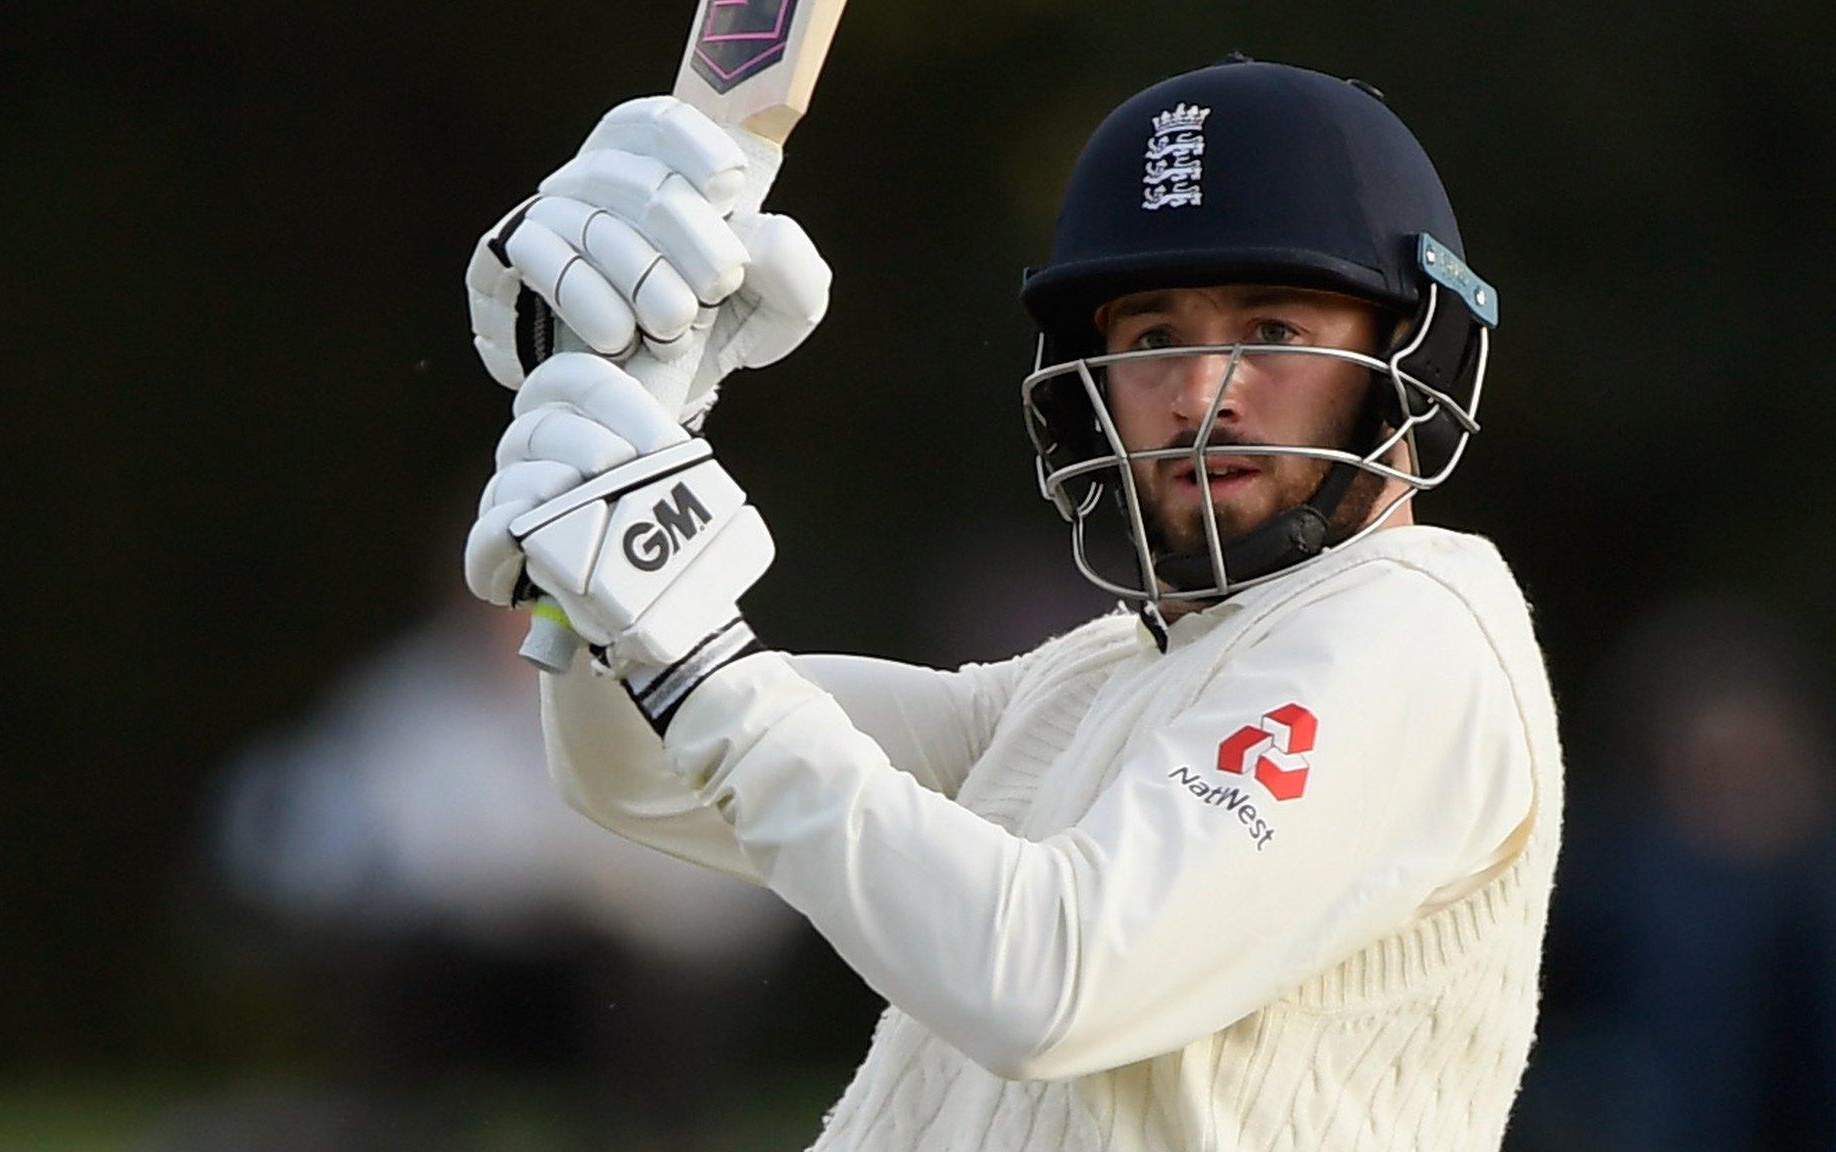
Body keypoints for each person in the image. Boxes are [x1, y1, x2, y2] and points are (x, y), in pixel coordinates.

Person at [461, 57, 1562, 1150]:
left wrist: (689, 641)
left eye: (1271, 333)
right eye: (1149, 338)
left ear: (1412, 349)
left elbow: (1045, 981)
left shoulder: (1418, 628)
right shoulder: (1091, 681)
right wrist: (647, 412)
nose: (1196, 394)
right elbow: (635, 767)